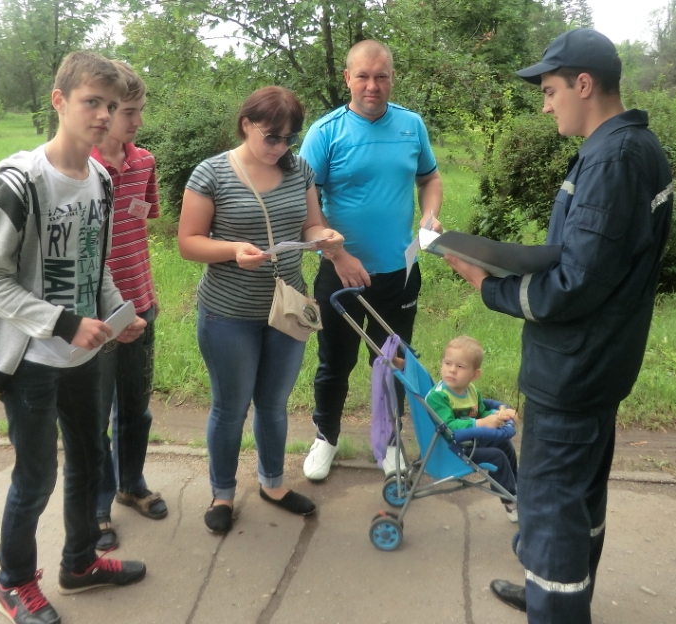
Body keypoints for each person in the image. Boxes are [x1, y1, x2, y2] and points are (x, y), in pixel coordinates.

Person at [444, 28, 674, 623]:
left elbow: (574, 284)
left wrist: (487, 284)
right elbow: (597, 262)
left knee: (550, 512)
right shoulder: (635, 147)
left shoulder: (613, 159)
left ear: (584, 84)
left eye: (550, 91)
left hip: (572, 371)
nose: (546, 106)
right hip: (599, 363)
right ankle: (552, 589)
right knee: (578, 503)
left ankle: (554, 599)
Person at [0, 51, 150, 624]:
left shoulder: (101, 180)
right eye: (91, 102)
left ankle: (80, 564)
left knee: (91, 460)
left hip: (84, 356)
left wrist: (117, 312)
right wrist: (65, 322)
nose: (103, 116)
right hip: (30, 358)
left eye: (111, 105)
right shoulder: (19, 183)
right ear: (59, 101)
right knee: (36, 474)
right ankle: (14, 583)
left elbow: (96, 265)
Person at [178, 86, 345, 534]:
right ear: (247, 124)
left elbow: (311, 223)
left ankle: (273, 483)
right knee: (230, 407)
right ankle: (223, 493)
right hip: (228, 314)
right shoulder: (211, 173)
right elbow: (188, 243)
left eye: (289, 138)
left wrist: (325, 237)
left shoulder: (299, 169)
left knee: (273, 404)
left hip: (287, 309)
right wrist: (233, 250)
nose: (280, 147)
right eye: (272, 136)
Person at [300, 39, 444, 482]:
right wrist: (338, 254)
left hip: (399, 273)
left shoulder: (411, 125)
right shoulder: (325, 132)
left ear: (392, 78)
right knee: (334, 362)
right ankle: (326, 438)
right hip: (340, 273)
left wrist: (430, 216)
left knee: (393, 361)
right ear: (348, 78)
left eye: (381, 76)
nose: (372, 86)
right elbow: (306, 204)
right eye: (362, 76)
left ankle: (389, 441)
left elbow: (430, 178)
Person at [90, 61, 166, 552]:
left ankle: (131, 483)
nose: (137, 121)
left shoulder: (145, 163)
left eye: (140, 111)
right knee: (95, 414)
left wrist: (144, 301)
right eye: (129, 112)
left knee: (135, 409)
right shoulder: (83, 167)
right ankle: (96, 505)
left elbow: (144, 221)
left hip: (142, 304)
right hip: (97, 314)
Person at [425, 335, 518, 522]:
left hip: (470, 441)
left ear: (474, 375)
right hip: (453, 449)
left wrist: (500, 414)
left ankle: (515, 487)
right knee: (497, 457)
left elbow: (481, 413)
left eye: (460, 366)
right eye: (448, 363)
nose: (452, 370)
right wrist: (482, 423)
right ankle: (510, 501)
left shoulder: (471, 391)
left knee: (505, 444)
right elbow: (449, 427)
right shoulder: (439, 397)